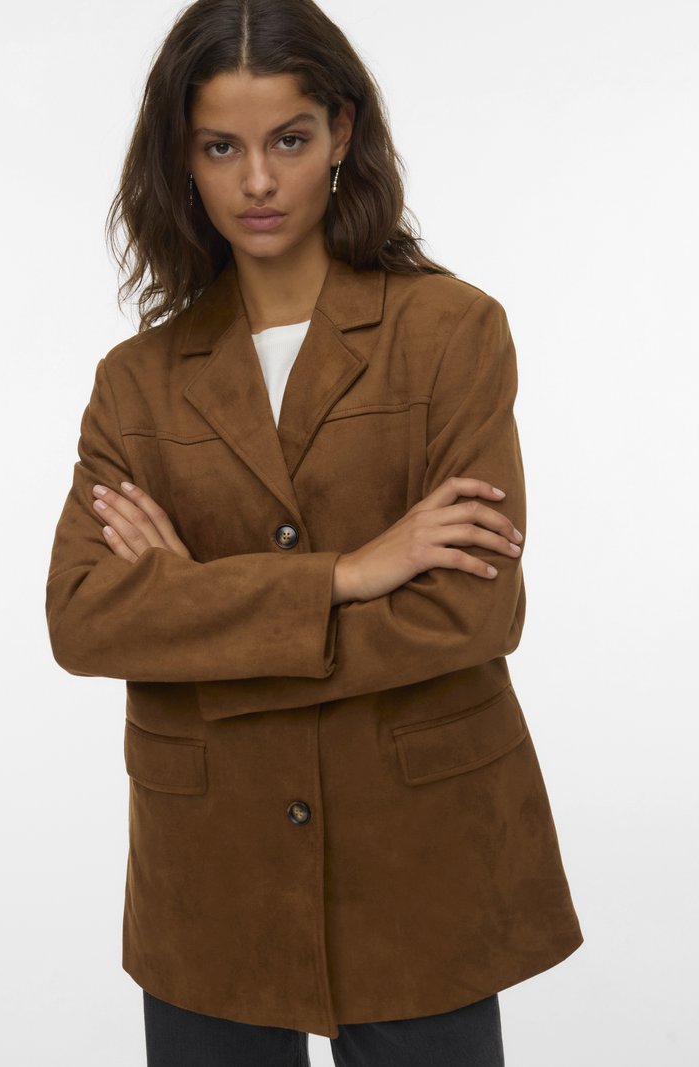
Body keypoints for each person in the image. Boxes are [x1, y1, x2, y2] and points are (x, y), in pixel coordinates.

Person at [45, 1, 584, 1064]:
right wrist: (349, 572)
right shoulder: (136, 382)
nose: (256, 181)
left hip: (414, 851)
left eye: (287, 140)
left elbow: (470, 609)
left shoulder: (449, 334)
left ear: (340, 133)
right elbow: (83, 618)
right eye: (220, 147)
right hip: (209, 861)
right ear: (181, 160)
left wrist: (196, 622)